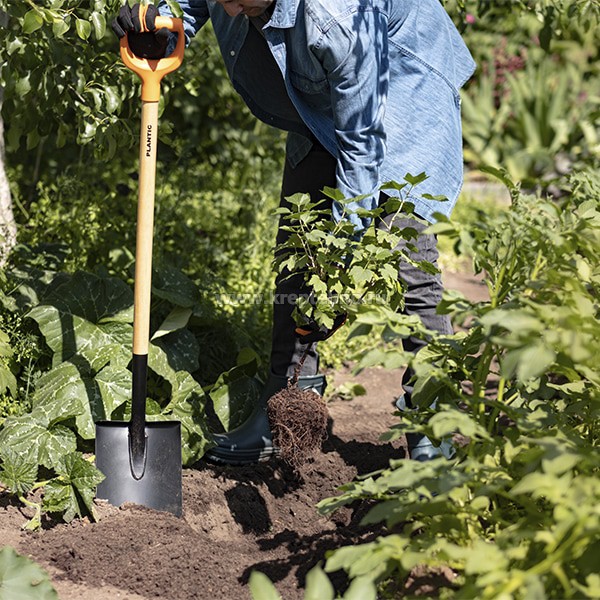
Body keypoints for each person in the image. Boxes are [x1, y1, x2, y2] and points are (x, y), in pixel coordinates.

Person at [112, 0, 476, 465]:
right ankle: (288, 405)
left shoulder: (337, 16)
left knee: (407, 250)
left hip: (403, 79)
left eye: (241, 1)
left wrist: (338, 264)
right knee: (298, 238)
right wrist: (160, 19)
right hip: (319, 83)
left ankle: (433, 424)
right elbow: (190, 4)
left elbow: (362, 146)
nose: (229, 10)